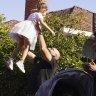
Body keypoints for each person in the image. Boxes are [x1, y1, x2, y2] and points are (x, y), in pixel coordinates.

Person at [6, 3, 55, 73]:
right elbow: (43, 23)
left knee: (19, 46)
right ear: (44, 10)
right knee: (27, 47)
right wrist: (51, 30)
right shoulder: (39, 14)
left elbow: (34, 20)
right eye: (46, 12)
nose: (45, 14)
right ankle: (21, 62)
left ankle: (10, 60)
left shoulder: (33, 14)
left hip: (22, 30)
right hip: (28, 31)